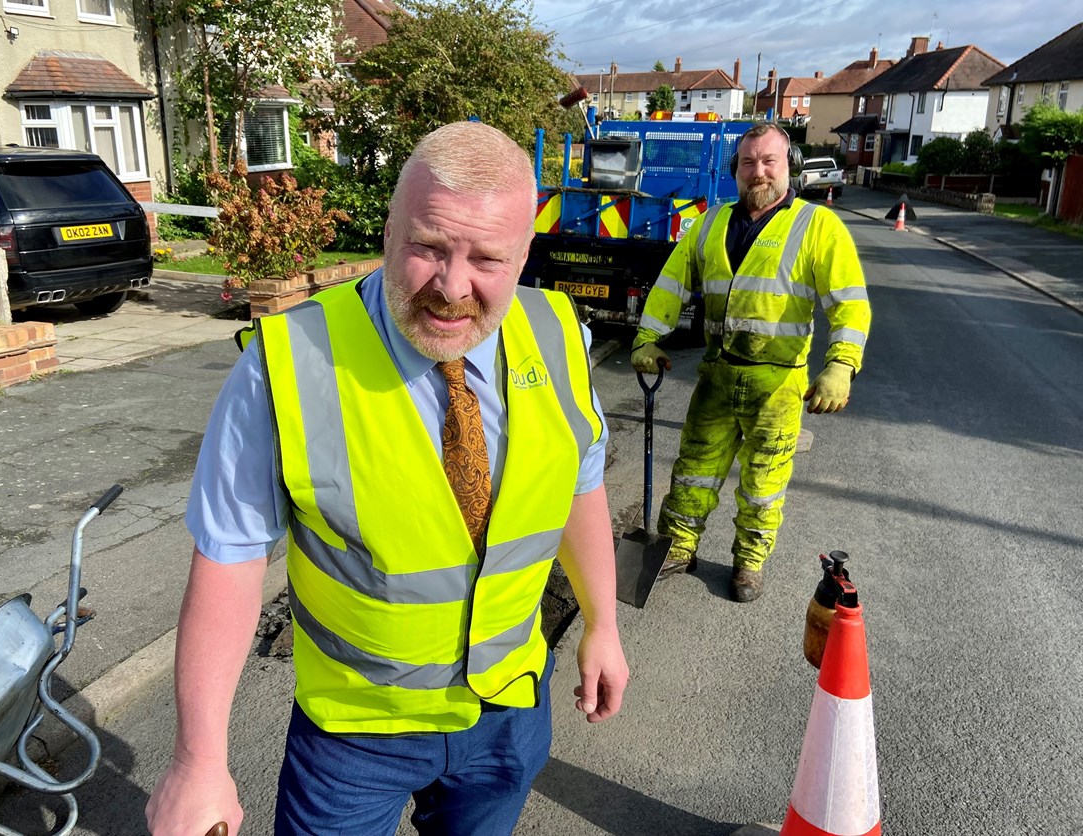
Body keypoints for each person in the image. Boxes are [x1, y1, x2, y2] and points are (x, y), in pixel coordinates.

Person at [146, 121, 628, 836]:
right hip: (354, 736)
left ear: (527, 252)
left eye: (488, 259)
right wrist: (198, 760)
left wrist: (604, 623)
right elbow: (230, 557)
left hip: (509, 713)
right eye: (428, 247)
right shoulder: (285, 365)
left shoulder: (558, 333)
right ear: (388, 231)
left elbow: (579, 488)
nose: (451, 288)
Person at [630, 122, 870, 603]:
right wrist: (647, 336)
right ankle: (678, 546)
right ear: (734, 170)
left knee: (763, 482)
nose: (757, 171)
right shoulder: (710, 223)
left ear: (790, 167)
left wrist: (841, 364)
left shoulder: (817, 226)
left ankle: (748, 562)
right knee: (693, 468)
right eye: (747, 162)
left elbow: (849, 302)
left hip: (777, 385)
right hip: (717, 375)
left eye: (768, 161)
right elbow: (673, 281)